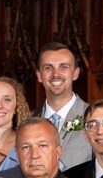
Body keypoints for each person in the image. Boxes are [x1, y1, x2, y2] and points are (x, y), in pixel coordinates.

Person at [32, 42, 94, 170]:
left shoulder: (93, 117)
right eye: (48, 68)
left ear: (75, 73)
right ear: (39, 75)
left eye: (63, 67)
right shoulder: (27, 120)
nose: (56, 74)